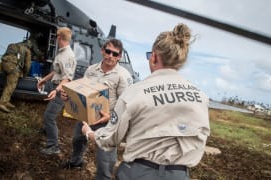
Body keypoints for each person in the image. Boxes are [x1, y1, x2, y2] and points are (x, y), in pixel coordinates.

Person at [81, 23, 210, 180]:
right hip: (179, 174)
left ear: (154, 56)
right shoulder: (201, 96)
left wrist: (89, 133)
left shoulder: (135, 92)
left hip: (139, 172)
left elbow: (110, 139)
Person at [62, 38, 133, 180]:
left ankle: (104, 177)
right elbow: (82, 91)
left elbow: (126, 104)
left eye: (115, 54)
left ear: (119, 56)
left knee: (105, 158)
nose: (111, 56)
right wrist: (69, 96)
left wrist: (110, 117)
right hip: (87, 116)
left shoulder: (123, 76)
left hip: (108, 121)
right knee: (77, 139)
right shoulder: (91, 70)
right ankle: (76, 162)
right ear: (102, 51)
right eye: (108, 52)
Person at [37, 27, 76, 155]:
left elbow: (67, 79)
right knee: (49, 114)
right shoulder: (61, 53)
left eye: (56, 37)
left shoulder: (68, 56)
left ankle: (53, 146)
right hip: (56, 87)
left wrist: (57, 90)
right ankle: (48, 130)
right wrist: (44, 80)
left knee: (49, 117)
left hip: (61, 90)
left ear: (59, 38)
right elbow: (56, 71)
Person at [0, 40, 32, 113]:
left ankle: (6, 101)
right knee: (11, 86)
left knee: (7, 84)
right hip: (13, 67)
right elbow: (27, 65)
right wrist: (25, 74)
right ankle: (1, 103)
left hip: (4, 64)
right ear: (29, 46)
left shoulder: (13, 45)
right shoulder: (27, 50)